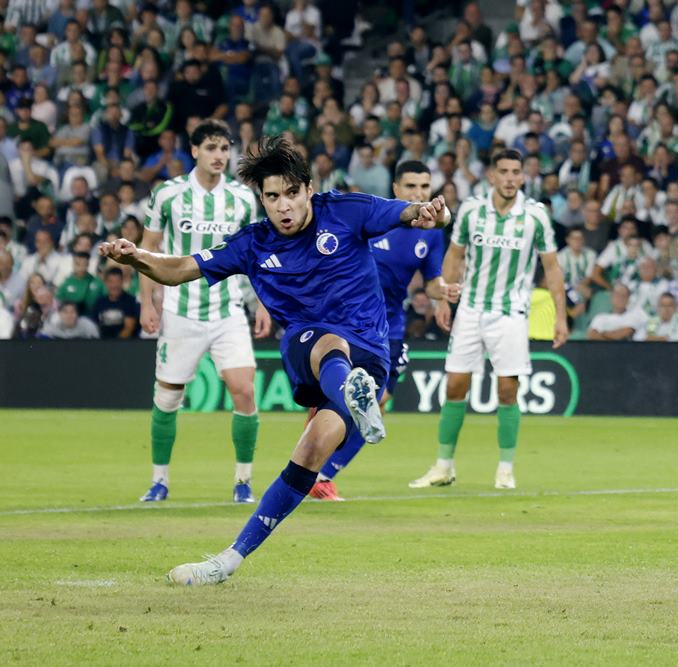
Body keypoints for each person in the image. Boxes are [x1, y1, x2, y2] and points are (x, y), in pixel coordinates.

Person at [98, 135, 451, 585]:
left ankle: (353, 392)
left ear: (307, 189)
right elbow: (181, 268)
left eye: (290, 194)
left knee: (320, 400)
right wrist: (136, 257)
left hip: (369, 351)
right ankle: (227, 561)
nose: (282, 206)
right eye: (271, 197)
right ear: (261, 199)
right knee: (316, 397)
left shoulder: (344, 210)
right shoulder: (253, 244)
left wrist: (423, 213)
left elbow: (402, 211)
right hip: (318, 351)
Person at [410, 149, 567, 492]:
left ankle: (505, 469)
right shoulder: (471, 210)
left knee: (508, 390)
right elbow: (455, 255)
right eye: (504, 171)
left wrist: (561, 315)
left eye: (516, 171)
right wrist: (443, 297)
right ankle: (443, 465)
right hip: (471, 309)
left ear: (523, 177)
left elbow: (552, 268)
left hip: (510, 312)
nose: (510, 178)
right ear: (492, 176)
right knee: (454, 385)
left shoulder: (535, 216)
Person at [309, 161, 460, 501]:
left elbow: (432, 282)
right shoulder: (373, 217)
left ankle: (323, 475)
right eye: (411, 187)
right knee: (338, 403)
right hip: (345, 322)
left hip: (389, 328)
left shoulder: (431, 232)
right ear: (395, 190)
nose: (419, 194)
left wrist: (443, 291)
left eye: (424, 187)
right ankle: (313, 467)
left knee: (374, 406)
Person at [137, 120, 271, 504]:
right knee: (167, 398)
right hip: (181, 310)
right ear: (193, 150)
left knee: (244, 391)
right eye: (211, 148)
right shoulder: (168, 194)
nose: (219, 156)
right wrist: (148, 301)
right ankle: (159, 481)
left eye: (225, 149)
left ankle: (243, 482)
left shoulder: (243, 199)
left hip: (228, 308)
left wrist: (260, 302)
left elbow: (255, 256)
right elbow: (149, 250)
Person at [92, 267, 138, 339]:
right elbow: (94, 326)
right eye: (111, 281)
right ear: (106, 283)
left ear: (122, 281)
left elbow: (129, 328)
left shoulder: (130, 301)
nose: (114, 285)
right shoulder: (100, 302)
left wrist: (113, 346)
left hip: (124, 344)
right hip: (101, 343)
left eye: (117, 281)